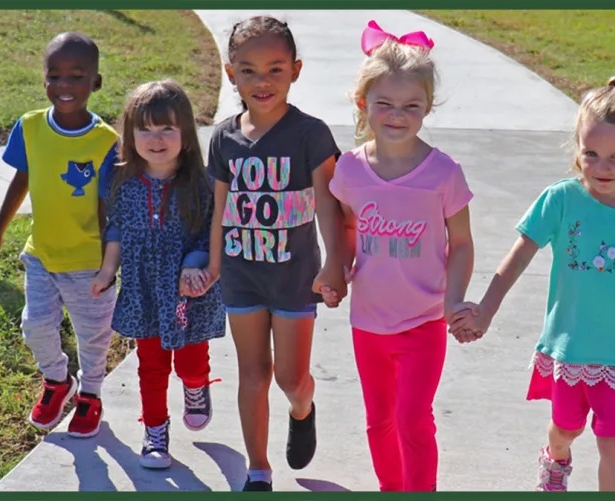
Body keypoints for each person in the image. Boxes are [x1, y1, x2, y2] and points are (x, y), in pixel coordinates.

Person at [452, 74, 615, 492]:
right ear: (577, 148)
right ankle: (555, 458)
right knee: (565, 428)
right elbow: (520, 254)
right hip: (570, 347)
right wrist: (486, 308)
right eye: (591, 153)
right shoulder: (561, 200)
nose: (602, 166)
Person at [322, 20, 474, 492]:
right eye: (384, 104)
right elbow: (347, 224)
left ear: (428, 107)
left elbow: (463, 243)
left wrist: (454, 301)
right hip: (368, 321)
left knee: (412, 419)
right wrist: (337, 270)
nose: (396, 115)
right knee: (379, 423)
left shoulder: (443, 173)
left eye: (411, 105)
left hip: (425, 320)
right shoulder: (349, 170)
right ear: (363, 104)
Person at [203, 15, 344, 491]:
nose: (261, 82)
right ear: (230, 74)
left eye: (275, 70)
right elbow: (218, 208)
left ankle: (303, 408)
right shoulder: (223, 138)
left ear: (296, 70)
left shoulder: (311, 134)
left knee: (289, 377)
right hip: (242, 275)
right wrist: (213, 265)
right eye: (248, 70)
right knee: (252, 372)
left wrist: (333, 264)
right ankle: (257, 469)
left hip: (294, 275)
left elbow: (328, 203)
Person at [0, 32, 117, 439]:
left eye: (77, 76)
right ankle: (58, 381)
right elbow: (22, 180)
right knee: (35, 326)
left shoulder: (105, 142)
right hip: (41, 255)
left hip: (89, 264)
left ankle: (90, 392)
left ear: (96, 82)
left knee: (94, 337)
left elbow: (109, 209)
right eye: (55, 75)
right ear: (44, 80)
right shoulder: (31, 126)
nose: (65, 86)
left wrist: (110, 266)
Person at [89, 80, 225, 469]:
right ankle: (154, 434)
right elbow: (116, 229)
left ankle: (197, 385)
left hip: (187, 293)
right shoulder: (122, 180)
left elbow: (207, 230)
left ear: (186, 132)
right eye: (145, 129)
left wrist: (194, 266)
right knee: (151, 365)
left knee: (189, 358)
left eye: (167, 128)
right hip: (143, 290)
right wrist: (106, 271)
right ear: (130, 135)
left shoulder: (200, 182)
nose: (156, 138)